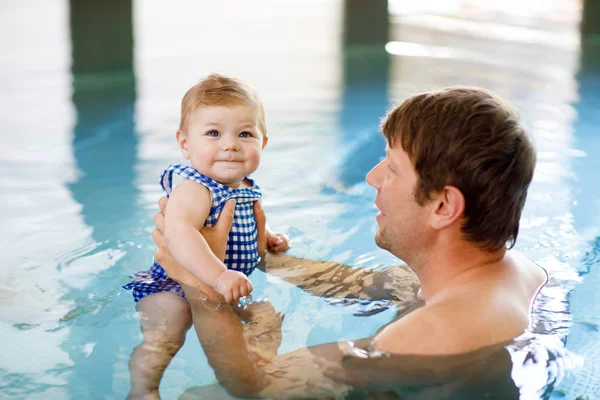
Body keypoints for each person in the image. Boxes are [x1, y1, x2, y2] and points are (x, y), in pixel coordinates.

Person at [152, 86, 548, 398]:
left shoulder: (426, 337)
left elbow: (254, 386)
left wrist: (197, 283)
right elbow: (356, 284)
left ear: (443, 205)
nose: (373, 178)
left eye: (391, 168)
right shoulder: (512, 273)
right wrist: (256, 255)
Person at [123, 74, 290, 399]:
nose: (230, 144)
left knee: (267, 316)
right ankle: (143, 389)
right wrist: (219, 274)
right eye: (213, 133)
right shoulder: (195, 188)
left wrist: (268, 236)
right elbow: (180, 233)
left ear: (263, 143)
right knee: (165, 335)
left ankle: (254, 367)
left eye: (245, 134)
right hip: (171, 286)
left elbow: (245, 221)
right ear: (185, 144)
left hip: (226, 284)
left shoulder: (244, 187)